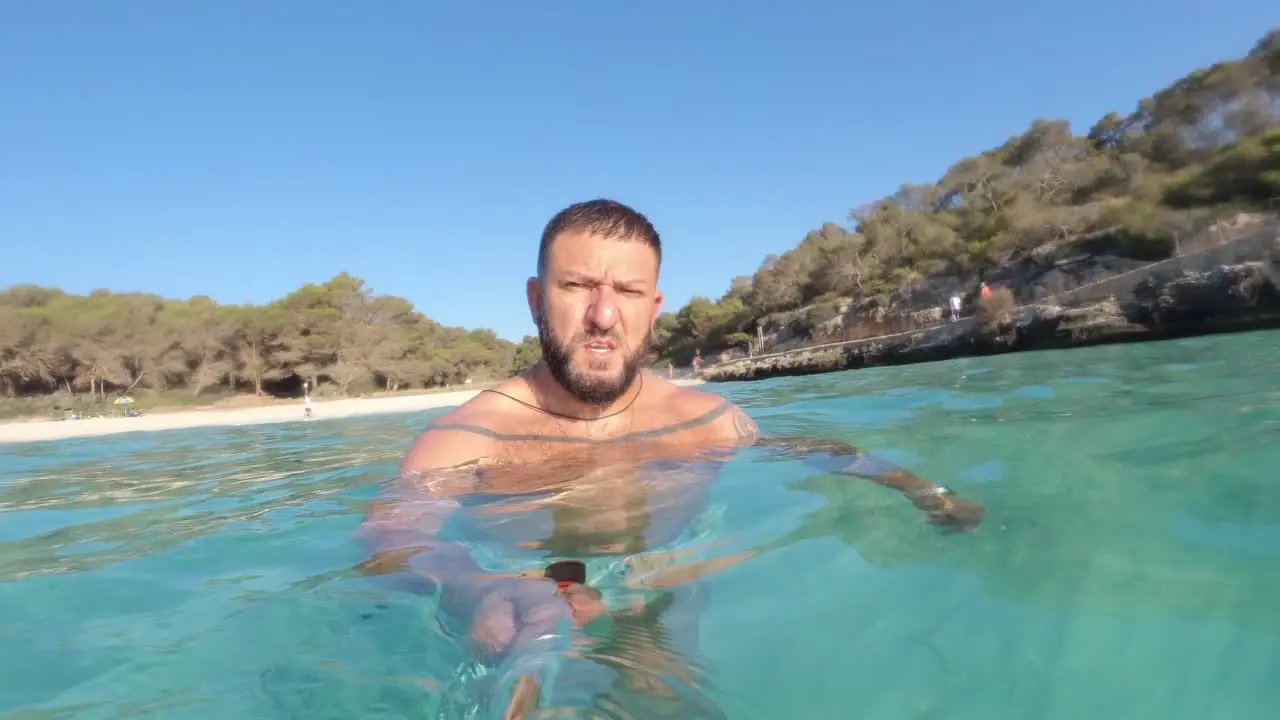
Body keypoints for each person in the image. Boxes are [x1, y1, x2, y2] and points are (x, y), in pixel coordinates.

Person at [356, 199, 985, 717]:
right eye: (576, 286)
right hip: (522, 623)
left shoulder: (706, 419)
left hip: (660, 612)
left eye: (627, 291)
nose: (603, 315)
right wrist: (471, 587)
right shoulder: (469, 436)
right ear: (535, 298)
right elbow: (389, 539)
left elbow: (807, 452)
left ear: (653, 308)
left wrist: (918, 488)